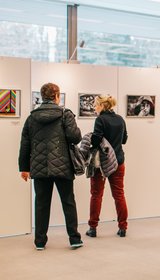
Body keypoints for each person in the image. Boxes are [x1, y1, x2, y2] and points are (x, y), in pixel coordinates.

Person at [18, 82, 83, 250]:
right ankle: (74, 239)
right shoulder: (65, 114)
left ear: (42, 96)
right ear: (56, 96)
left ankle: (40, 242)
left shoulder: (31, 117)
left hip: (39, 168)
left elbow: (25, 144)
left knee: (41, 204)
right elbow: (75, 138)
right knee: (68, 202)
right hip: (63, 166)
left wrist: (24, 168)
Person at [85, 95, 129, 238]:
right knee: (119, 194)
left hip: (102, 163)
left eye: (96, 105)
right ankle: (123, 228)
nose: (94, 107)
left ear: (103, 106)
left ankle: (93, 228)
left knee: (96, 195)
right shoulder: (120, 119)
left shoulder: (100, 119)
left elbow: (97, 140)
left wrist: (90, 139)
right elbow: (124, 139)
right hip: (118, 161)